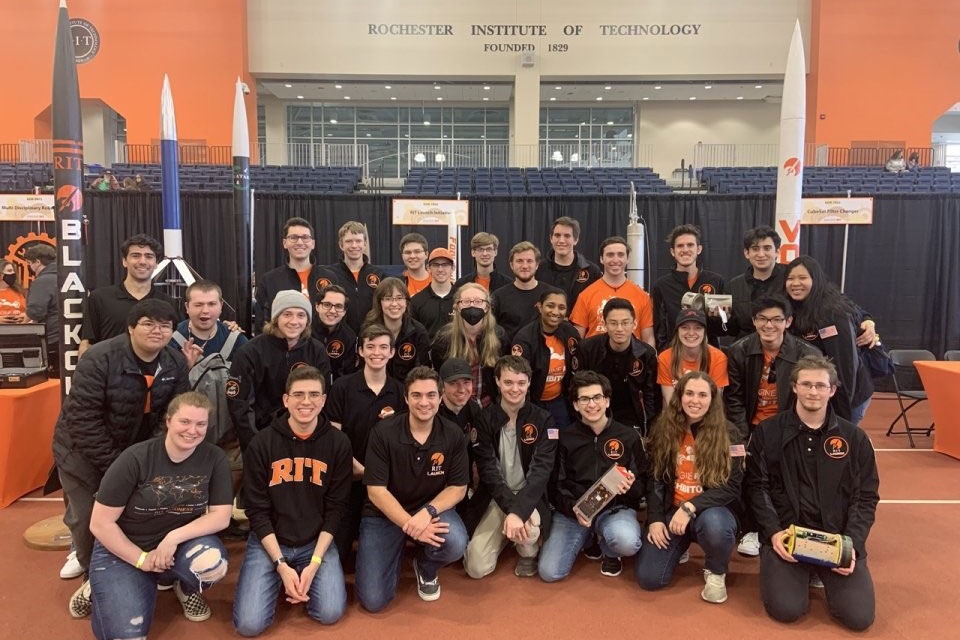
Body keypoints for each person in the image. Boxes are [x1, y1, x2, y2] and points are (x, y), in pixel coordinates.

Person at [53, 299, 189, 618]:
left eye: (165, 326)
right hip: (82, 453)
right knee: (91, 519)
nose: (157, 331)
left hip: (133, 452)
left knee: (142, 511)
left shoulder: (174, 363)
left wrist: (148, 458)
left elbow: (172, 415)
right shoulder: (99, 358)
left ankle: (142, 570)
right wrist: (119, 469)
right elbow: (83, 421)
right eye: (148, 324)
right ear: (131, 327)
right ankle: (94, 579)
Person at [746, 355, 878, 631]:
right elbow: (757, 488)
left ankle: (821, 570)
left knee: (859, 618)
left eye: (820, 385)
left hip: (836, 539)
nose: (813, 391)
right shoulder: (767, 433)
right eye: (806, 384)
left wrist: (851, 543)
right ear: (794, 387)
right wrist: (773, 532)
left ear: (832, 390)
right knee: (786, 610)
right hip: (788, 536)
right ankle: (798, 571)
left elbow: (865, 497)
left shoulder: (854, 439)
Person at [87, 392, 232, 638]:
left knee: (212, 565)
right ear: (168, 421)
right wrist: (142, 560)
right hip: (127, 547)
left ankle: (184, 586)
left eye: (201, 424)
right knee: (125, 635)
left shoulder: (214, 457)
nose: (192, 430)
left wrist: (173, 537)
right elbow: (100, 524)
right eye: (184, 422)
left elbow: (221, 516)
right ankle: (99, 586)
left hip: (176, 545)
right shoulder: (135, 458)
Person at [233, 366, 352, 635]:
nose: (306, 402)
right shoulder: (262, 443)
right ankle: (282, 577)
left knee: (329, 612)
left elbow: (336, 509)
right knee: (249, 626)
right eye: (298, 394)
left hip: (315, 542)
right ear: (286, 400)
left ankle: (298, 577)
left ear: (323, 400)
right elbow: (257, 511)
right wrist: (280, 565)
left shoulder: (338, 443)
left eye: (313, 395)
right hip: (270, 542)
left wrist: (315, 562)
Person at [356, 367, 469, 610]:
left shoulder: (453, 434)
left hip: (429, 510)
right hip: (384, 515)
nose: (424, 402)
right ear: (406, 399)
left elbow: (458, 488)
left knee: (456, 542)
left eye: (431, 395)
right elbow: (376, 491)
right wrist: (410, 525)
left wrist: (427, 512)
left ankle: (425, 566)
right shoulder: (382, 433)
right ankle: (394, 552)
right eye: (416, 395)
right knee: (373, 601)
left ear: (440, 398)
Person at [635, 372, 743, 603]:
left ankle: (716, 572)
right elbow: (655, 479)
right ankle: (680, 544)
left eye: (703, 395)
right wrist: (654, 519)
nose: (695, 400)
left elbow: (732, 487)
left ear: (712, 400)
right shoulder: (663, 428)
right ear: (679, 397)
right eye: (689, 393)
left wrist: (690, 507)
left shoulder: (730, 433)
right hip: (672, 511)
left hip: (710, 511)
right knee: (649, 578)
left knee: (715, 525)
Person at [539, 371, 647, 581]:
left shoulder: (628, 436)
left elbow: (643, 482)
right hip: (575, 511)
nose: (591, 404)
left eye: (597, 397)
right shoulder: (565, 438)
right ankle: (588, 539)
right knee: (549, 572)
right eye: (584, 399)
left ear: (607, 401)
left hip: (616, 509)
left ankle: (610, 550)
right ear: (575, 405)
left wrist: (631, 488)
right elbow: (554, 486)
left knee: (627, 542)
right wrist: (573, 510)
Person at [465, 355, 557, 579]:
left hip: (530, 498)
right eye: (508, 382)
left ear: (528, 383)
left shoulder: (544, 420)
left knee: (529, 531)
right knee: (476, 568)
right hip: (496, 498)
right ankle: (507, 534)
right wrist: (511, 511)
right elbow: (488, 472)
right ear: (497, 381)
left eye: (520, 383)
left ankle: (527, 552)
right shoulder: (485, 419)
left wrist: (519, 511)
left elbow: (540, 474)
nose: (514, 389)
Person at [323, 323, 406, 567]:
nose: (376, 353)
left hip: (384, 486)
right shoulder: (342, 387)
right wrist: (356, 467)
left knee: (375, 560)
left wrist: (377, 475)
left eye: (383, 347)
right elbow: (333, 437)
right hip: (348, 480)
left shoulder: (401, 391)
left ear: (392, 352)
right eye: (370, 347)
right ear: (360, 351)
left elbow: (403, 442)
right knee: (336, 552)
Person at [227, 291, 332, 452]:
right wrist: (256, 445)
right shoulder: (250, 352)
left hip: (305, 438)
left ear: (308, 320)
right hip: (261, 438)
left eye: (301, 315)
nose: (294, 321)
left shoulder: (317, 351)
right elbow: (240, 406)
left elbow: (321, 400)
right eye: (287, 314)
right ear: (276, 318)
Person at [169, 280, 249, 484]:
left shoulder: (237, 340)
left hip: (229, 434)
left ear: (221, 306)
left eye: (212, 304)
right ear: (187, 307)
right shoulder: (171, 340)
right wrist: (184, 368)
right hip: (187, 433)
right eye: (198, 305)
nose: (205, 311)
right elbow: (162, 393)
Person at [784, 256, 873, 422]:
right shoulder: (793, 307)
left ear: (816, 280)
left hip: (848, 394)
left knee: (840, 439)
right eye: (790, 278)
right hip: (820, 387)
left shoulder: (833, 313)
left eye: (802, 278)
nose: (795, 283)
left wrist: (841, 416)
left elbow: (845, 366)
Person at [725, 295, 823, 441]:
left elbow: (813, 399)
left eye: (777, 319)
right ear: (754, 321)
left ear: (788, 321)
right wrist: (742, 438)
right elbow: (734, 399)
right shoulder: (738, 351)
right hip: (752, 428)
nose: (769, 325)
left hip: (791, 429)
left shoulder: (808, 354)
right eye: (762, 319)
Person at [79, 233, 179, 356]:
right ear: (124, 261)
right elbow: (87, 344)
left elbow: (172, 347)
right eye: (136, 256)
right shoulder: (99, 298)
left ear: (156, 263)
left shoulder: (168, 303)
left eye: (149, 256)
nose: (142, 261)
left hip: (152, 374)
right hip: (110, 373)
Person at [577, 297, 660, 436]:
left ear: (634, 324)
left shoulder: (647, 354)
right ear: (604, 324)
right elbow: (576, 389)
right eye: (613, 323)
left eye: (625, 323)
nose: (619, 329)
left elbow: (651, 396)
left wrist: (648, 428)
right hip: (595, 413)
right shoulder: (587, 348)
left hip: (631, 416)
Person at [430, 282, 508, 407]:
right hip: (456, 407)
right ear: (457, 307)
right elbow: (439, 377)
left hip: (489, 406)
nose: (472, 305)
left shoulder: (499, 336)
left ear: (487, 307)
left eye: (478, 301)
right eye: (466, 301)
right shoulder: (444, 339)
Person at [511, 289, 580, 430]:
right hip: (533, 402)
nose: (556, 312)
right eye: (550, 306)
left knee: (564, 440)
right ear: (540, 307)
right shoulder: (524, 338)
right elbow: (517, 378)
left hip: (560, 401)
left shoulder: (570, 333)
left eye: (561, 308)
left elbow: (577, 367)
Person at [651, 224, 727, 350]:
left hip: (708, 355)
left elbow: (723, 328)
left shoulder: (715, 281)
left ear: (699, 249)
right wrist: (663, 355)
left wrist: (714, 314)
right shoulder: (661, 286)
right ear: (672, 251)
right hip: (674, 355)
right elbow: (659, 329)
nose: (685, 249)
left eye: (690, 245)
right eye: (680, 246)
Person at [570, 235, 655, 347]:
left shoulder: (642, 296)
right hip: (596, 360)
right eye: (610, 255)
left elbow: (648, 338)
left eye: (620, 255)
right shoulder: (586, 295)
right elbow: (577, 338)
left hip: (631, 360)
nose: (615, 260)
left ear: (627, 259)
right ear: (601, 259)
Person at [253, 217, 333, 333]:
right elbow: (262, 323)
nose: (300, 242)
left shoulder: (330, 277)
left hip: (320, 347)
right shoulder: (269, 280)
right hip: (282, 348)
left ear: (313, 243)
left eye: (305, 237)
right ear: (285, 243)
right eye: (294, 237)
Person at [435, 358, 485, 534]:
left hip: (463, 485)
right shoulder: (432, 412)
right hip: (435, 489)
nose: (462, 389)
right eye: (454, 383)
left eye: (466, 382)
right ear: (442, 386)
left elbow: (480, 453)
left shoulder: (474, 410)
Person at [363, 277, 431, 383]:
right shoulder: (367, 330)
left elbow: (422, 373)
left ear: (406, 302)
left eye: (399, 298)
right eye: (388, 298)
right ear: (379, 303)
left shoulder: (418, 331)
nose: (394, 304)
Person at [323, 220, 386, 334]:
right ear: (341, 245)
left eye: (358, 241)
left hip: (371, 337)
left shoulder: (379, 274)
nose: (354, 245)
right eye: (349, 241)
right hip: (339, 338)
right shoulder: (329, 274)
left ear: (365, 244)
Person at [491, 241, 560, 341]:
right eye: (519, 261)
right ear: (511, 265)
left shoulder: (552, 295)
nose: (524, 266)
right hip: (509, 355)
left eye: (529, 261)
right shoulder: (498, 297)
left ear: (537, 265)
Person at [727, 226, 788, 339]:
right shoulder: (734, 285)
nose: (761, 254)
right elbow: (732, 329)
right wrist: (721, 318)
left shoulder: (790, 279)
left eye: (767, 248)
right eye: (755, 248)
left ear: (777, 252)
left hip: (785, 349)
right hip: (746, 351)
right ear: (746, 253)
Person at [657, 309, 729, 405]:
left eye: (698, 328)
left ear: (704, 332)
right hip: (675, 415)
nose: (691, 333)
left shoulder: (718, 358)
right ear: (677, 331)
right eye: (685, 327)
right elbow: (669, 401)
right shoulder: (665, 358)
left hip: (707, 416)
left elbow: (715, 402)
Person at [535, 216, 601, 309]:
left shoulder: (592, 271)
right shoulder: (538, 269)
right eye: (557, 235)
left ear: (576, 240)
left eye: (567, 236)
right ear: (551, 238)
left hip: (578, 324)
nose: (561, 240)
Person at [24, 244, 59, 374]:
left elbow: (36, 312)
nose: (30, 267)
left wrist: (20, 322)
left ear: (37, 262)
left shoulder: (42, 281)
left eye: (29, 263)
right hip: (71, 336)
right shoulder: (68, 275)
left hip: (52, 338)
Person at [313, 284, 358, 383]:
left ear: (344, 311)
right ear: (317, 306)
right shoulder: (304, 331)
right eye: (327, 305)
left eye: (338, 306)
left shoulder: (349, 337)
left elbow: (347, 375)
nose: (332, 311)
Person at [411, 247, 456, 337]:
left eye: (445, 265)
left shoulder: (462, 298)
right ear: (428, 268)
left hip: (457, 351)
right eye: (435, 265)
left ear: (452, 268)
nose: (440, 269)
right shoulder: (416, 301)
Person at [399, 232, 431, 296]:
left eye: (417, 252)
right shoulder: (397, 283)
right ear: (402, 256)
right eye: (408, 252)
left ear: (426, 254)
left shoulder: (437, 281)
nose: (412, 256)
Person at [0, 258, 27, 323]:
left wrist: (22, 317)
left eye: (13, 271)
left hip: (17, 329)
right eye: (9, 271)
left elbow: (29, 313)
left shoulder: (19, 291)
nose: (13, 273)